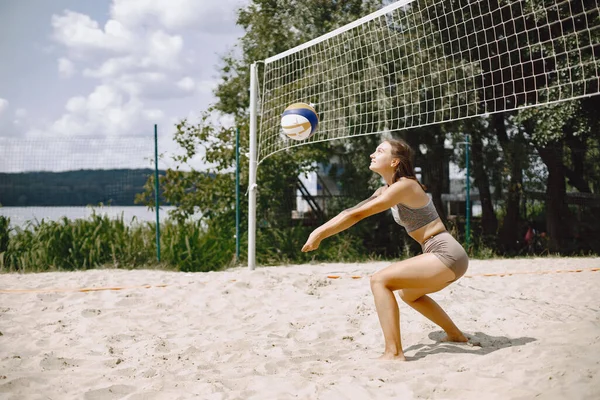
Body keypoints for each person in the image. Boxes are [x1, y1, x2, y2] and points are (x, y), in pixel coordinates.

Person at [301, 139, 469, 361]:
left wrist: (319, 234)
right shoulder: (386, 189)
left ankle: (394, 353)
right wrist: (320, 231)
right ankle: (455, 335)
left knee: (379, 280)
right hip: (440, 254)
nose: (372, 154)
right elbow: (352, 211)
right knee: (409, 294)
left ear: (395, 161)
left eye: (379, 151)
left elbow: (356, 216)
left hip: (445, 252)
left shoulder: (406, 185)